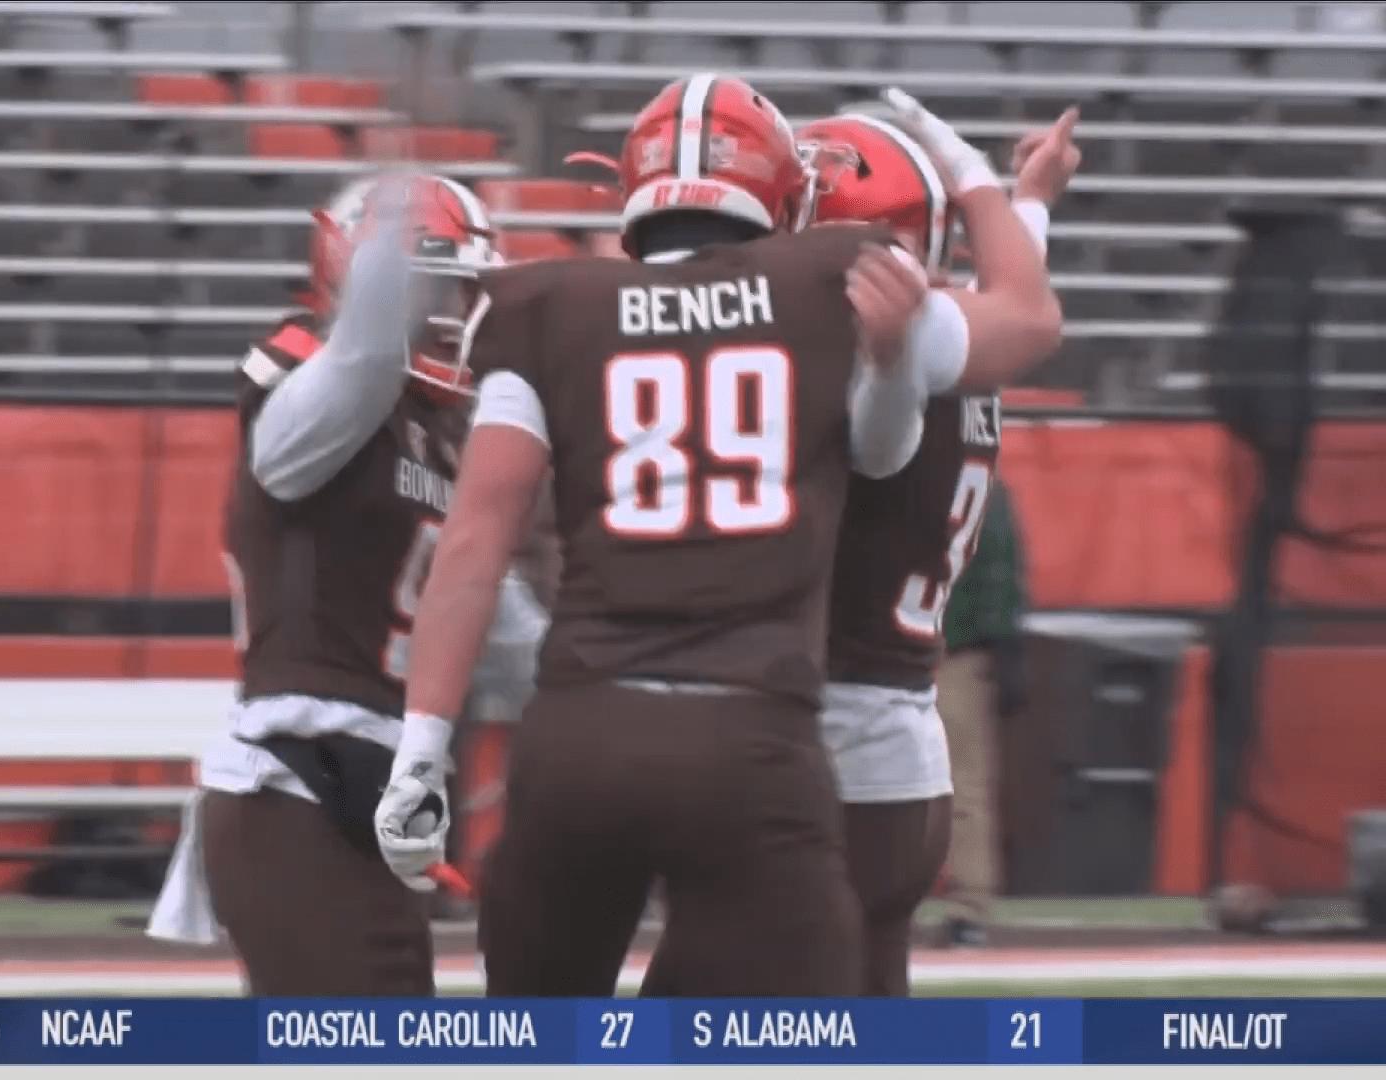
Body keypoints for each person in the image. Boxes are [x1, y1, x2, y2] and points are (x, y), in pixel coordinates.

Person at [378, 73, 1062, 998]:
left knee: (542, 1028)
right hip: (778, 743)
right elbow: (997, 333)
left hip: (592, 727)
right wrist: (1007, 194)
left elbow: (475, 541)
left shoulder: (547, 305)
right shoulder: (830, 298)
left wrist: (421, 750)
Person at [144, 171, 546, 996]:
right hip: (292, 785)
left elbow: (508, 640)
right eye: (432, 280)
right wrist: (391, 247)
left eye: (464, 286)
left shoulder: (447, 434)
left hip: (389, 791)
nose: (449, 307)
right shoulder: (306, 397)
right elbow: (361, 360)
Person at [784, 104, 1078, 993]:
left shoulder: (882, 345)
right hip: (903, 737)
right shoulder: (963, 332)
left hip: (820, 734)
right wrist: (1027, 198)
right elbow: (1020, 296)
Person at [936, 473, 1027, 947]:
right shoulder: (982, 482)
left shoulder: (977, 483)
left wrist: (1001, 645)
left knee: (964, 782)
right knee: (965, 783)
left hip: (947, 649)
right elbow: (1001, 569)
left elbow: (997, 569)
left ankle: (969, 903)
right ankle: (968, 904)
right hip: (927, 648)